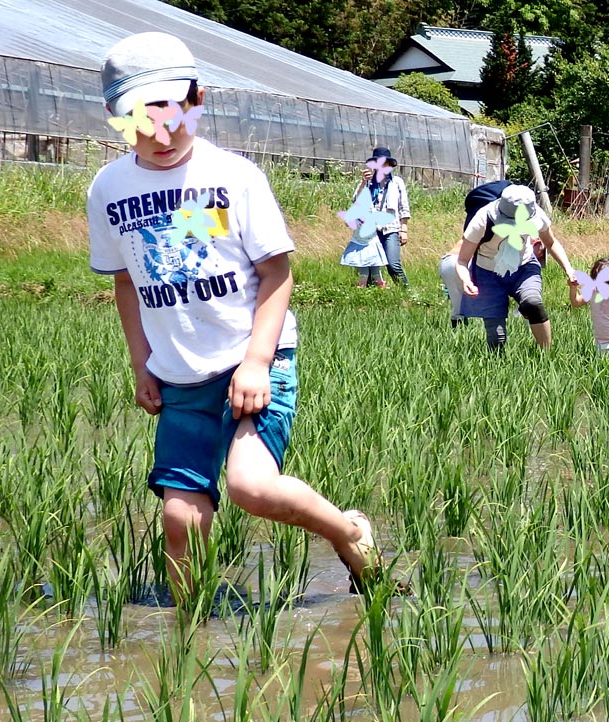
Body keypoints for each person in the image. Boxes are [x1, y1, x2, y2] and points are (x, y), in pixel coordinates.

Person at [87, 32, 380, 603]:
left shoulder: (234, 177)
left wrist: (255, 363)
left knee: (250, 486)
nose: (159, 138)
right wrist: (141, 364)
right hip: (178, 375)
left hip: (254, 361)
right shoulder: (109, 188)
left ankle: (350, 533)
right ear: (112, 119)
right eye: (137, 126)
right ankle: (186, 637)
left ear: (197, 101)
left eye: (171, 118)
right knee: (180, 518)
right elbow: (125, 281)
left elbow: (277, 273)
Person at [455, 185, 577, 350]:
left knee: (533, 303)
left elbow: (551, 242)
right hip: (488, 274)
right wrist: (466, 280)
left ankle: (547, 356)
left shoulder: (536, 215)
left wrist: (568, 269)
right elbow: (462, 260)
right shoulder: (482, 219)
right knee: (496, 336)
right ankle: (496, 368)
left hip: (524, 268)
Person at [344, 147, 411, 288]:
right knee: (368, 262)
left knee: (393, 263)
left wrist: (403, 229)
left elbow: (403, 206)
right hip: (371, 229)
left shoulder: (397, 182)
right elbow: (356, 200)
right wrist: (363, 182)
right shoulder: (368, 182)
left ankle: (405, 290)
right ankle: (370, 291)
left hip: (390, 228)